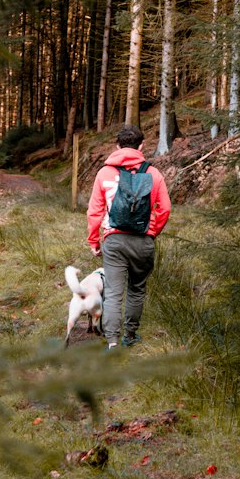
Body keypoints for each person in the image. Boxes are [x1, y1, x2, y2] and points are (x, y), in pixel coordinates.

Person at [86, 124, 171, 349]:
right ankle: (130, 335)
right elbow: (165, 209)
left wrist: (94, 241)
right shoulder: (153, 174)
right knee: (137, 289)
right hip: (143, 240)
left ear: (117, 146)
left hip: (114, 241)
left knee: (113, 293)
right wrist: (152, 232)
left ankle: (112, 341)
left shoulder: (104, 173)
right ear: (141, 146)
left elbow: (94, 211)